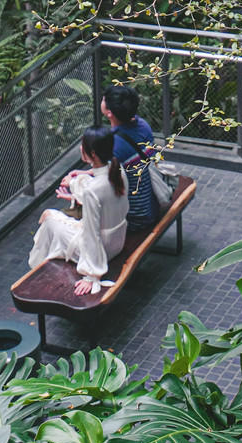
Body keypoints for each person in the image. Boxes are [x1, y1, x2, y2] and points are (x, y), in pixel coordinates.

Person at [27, 126, 128, 295]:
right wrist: (76, 186)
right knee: (55, 222)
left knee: (50, 220)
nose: (81, 148)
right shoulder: (119, 171)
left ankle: (35, 272)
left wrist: (91, 276)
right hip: (117, 241)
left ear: (93, 154)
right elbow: (101, 192)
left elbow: (91, 235)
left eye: (83, 145)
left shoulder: (92, 192)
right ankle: (38, 267)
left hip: (102, 251)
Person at [101, 83, 159, 228]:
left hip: (134, 217)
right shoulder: (143, 125)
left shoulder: (113, 145)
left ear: (109, 113)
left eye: (104, 100)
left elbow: (106, 187)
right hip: (151, 205)